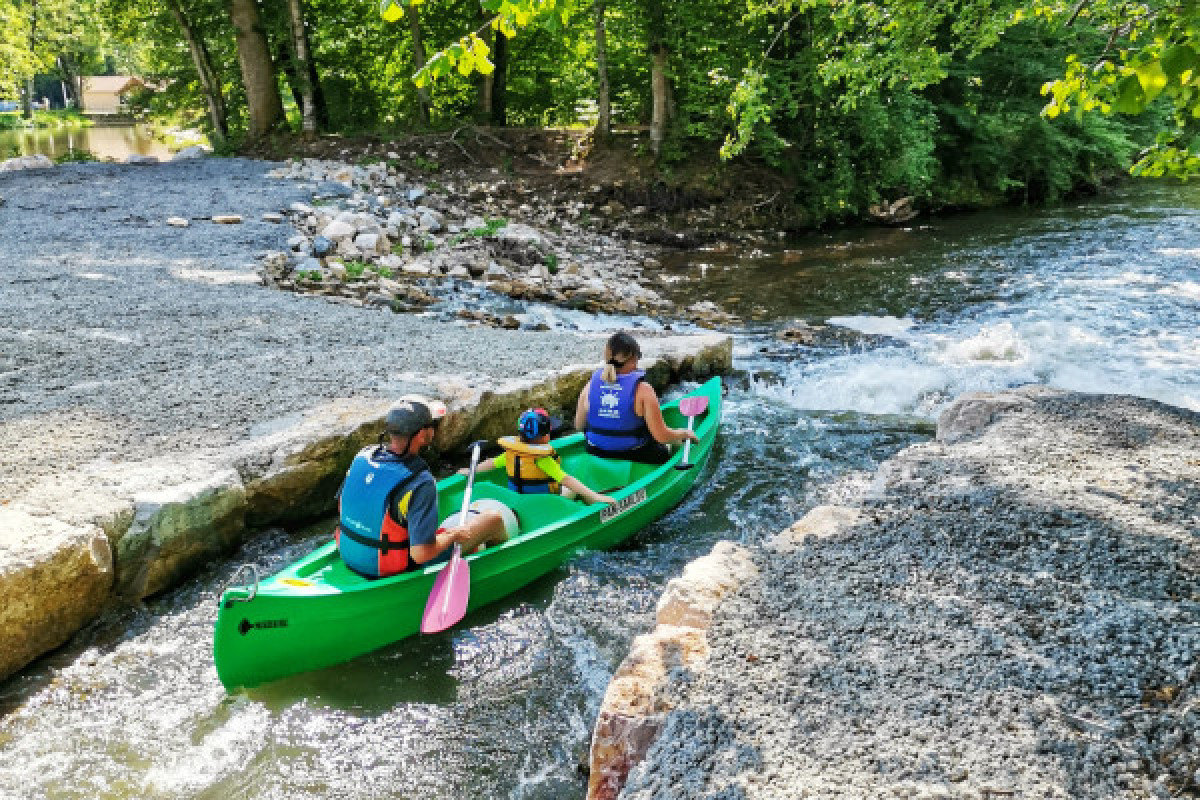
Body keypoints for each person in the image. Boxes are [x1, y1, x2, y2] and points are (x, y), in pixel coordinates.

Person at [336, 395, 512, 579]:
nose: (435, 429)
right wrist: (453, 535)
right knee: (494, 519)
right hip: (394, 566)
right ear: (421, 434)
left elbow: (343, 506)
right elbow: (421, 554)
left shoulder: (363, 456)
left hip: (349, 553)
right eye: (432, 425)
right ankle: (500, 567)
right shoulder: (420, 481)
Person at [574, 331, 699, 465]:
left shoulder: (589, 386)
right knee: (671, 444)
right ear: (633, 358)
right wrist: (683, 434)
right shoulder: (644, 390)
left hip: (596, 451)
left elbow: (579, 426)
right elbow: (661, 436)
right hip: (635, 454)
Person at [464, 408, 617, 505]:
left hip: (517, 500)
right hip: (545, 503)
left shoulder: (511, 452)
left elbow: (491, 463)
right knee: (573, 488)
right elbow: (566, 480)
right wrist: (595, 495)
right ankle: (591, 502)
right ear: (544, 436)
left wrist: (470, 470)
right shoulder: (541, 459)